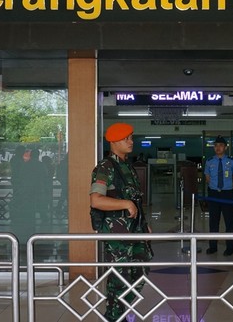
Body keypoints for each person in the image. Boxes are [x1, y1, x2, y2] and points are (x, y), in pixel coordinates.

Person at [89, 122, 153, 322]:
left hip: (135, 230)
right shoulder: (105, 167)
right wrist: (124, 203)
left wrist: (145, 223)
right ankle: (114, 316)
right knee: (120, 278)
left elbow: (135, 199)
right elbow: (96, 200)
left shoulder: (128, 166)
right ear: (114, 141)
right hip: (118, 234)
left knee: (141, 273)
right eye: (127, 138)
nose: (131, 142)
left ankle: (120, 311)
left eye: (131, 137)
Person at [204, 135, 233, 256]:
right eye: (216, 146)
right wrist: (215, 187)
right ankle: (213, 246)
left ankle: (229, 247)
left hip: (227, 194)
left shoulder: (232, 161)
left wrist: (228, 187)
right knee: (213, 221)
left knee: (229, 221)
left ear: (225, 147)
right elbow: (207, 178)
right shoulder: (209, 161)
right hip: (213, 194)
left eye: (220, 145)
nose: (218, 148)